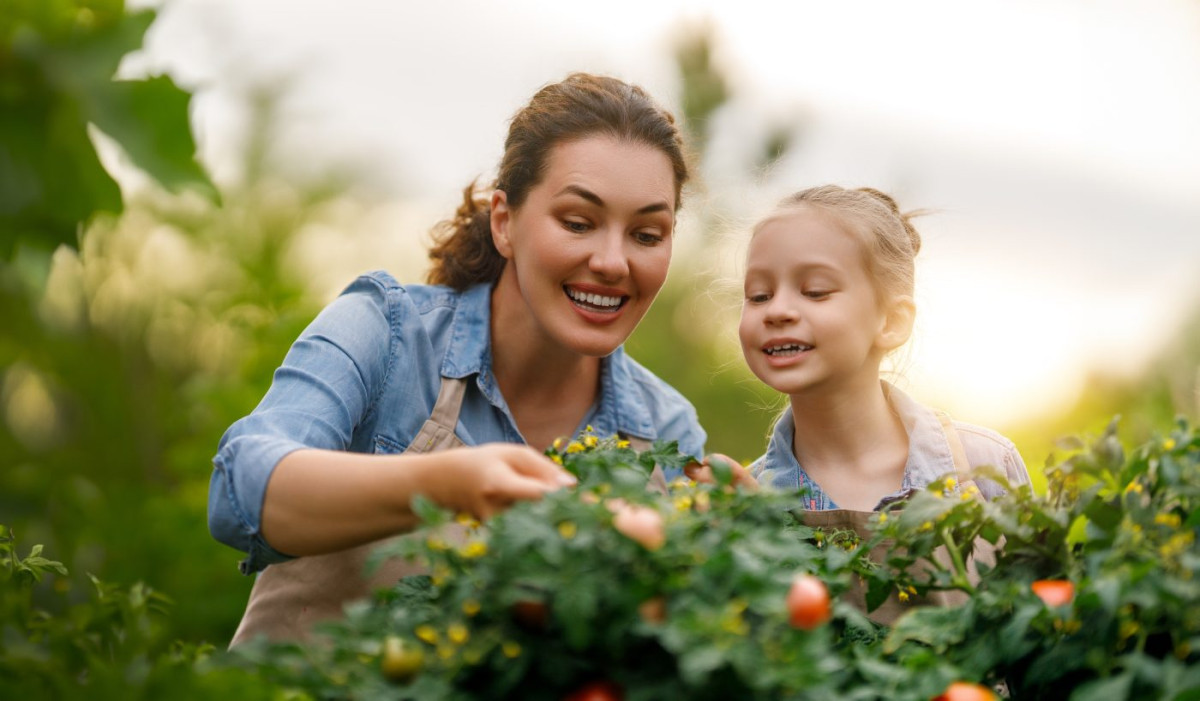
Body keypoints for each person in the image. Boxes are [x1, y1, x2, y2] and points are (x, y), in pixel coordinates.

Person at [208, 73, 707, 644]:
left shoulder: (665, 431)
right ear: (505, 222)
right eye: (577, 223)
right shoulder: (387, 333)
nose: (614, 262)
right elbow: (238, 491)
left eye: (647, 234)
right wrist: (444, 486)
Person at [736, 185, 1030, 621]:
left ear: (891, 321)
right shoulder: (747, 498)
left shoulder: (987, 468)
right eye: (759, 295)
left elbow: (1042, 638)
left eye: (814, 291)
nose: (776, 310)